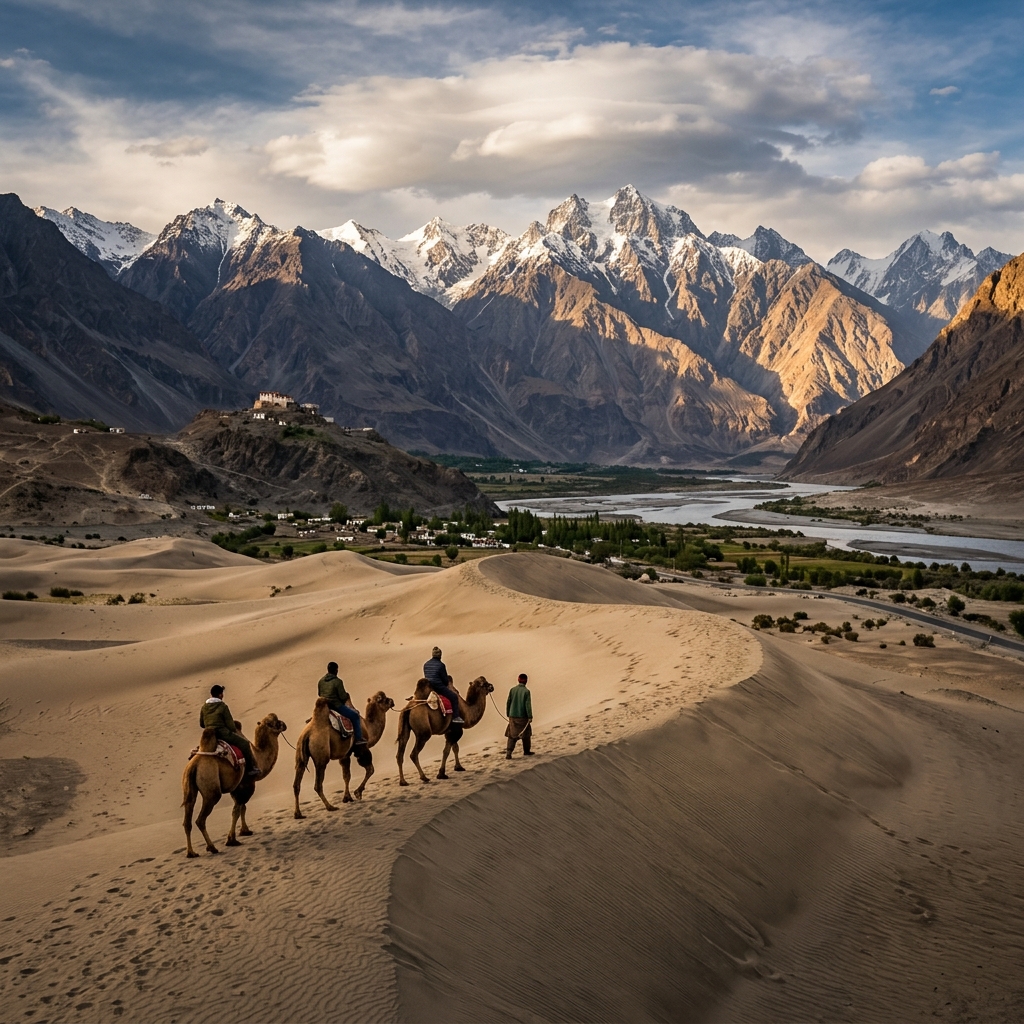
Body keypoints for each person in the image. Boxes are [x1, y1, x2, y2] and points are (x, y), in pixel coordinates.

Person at [200, 685, 261, 776]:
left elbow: (201, 724)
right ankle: (250, 768)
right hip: (222, 734)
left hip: (209, 736)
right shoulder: (223, 706)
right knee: (245, 744)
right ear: (220, 695)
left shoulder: (204, 707)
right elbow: (231, 726)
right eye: (222, 694)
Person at [317, 661, 365, 744]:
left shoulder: (321, 681)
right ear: (336, 670)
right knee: (355, 716)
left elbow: (319, 694)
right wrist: (345, 698)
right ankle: (358, 739)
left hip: (324, 706)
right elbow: (343, 697)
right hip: (336, 706)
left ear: (328, 670)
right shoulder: (338, 682)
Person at [423, 646, 464, 724]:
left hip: (428, 687)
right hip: (438, 687)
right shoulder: (441, 665)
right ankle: (456, 717)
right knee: (454, 697)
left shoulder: (426, 664)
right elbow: (445, 680)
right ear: (440, 655)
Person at [505, 673, 534, 758]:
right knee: (526, 733)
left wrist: (508, 713)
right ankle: (527, 751)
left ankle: (509, 753)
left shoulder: (512, 690)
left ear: (518, 680)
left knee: (512, 735)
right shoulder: (526, 691)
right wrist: (530, 716)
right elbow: (528, 705)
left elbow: (508, 702)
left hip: (512, 716)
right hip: (523, 717)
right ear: (526, 681)